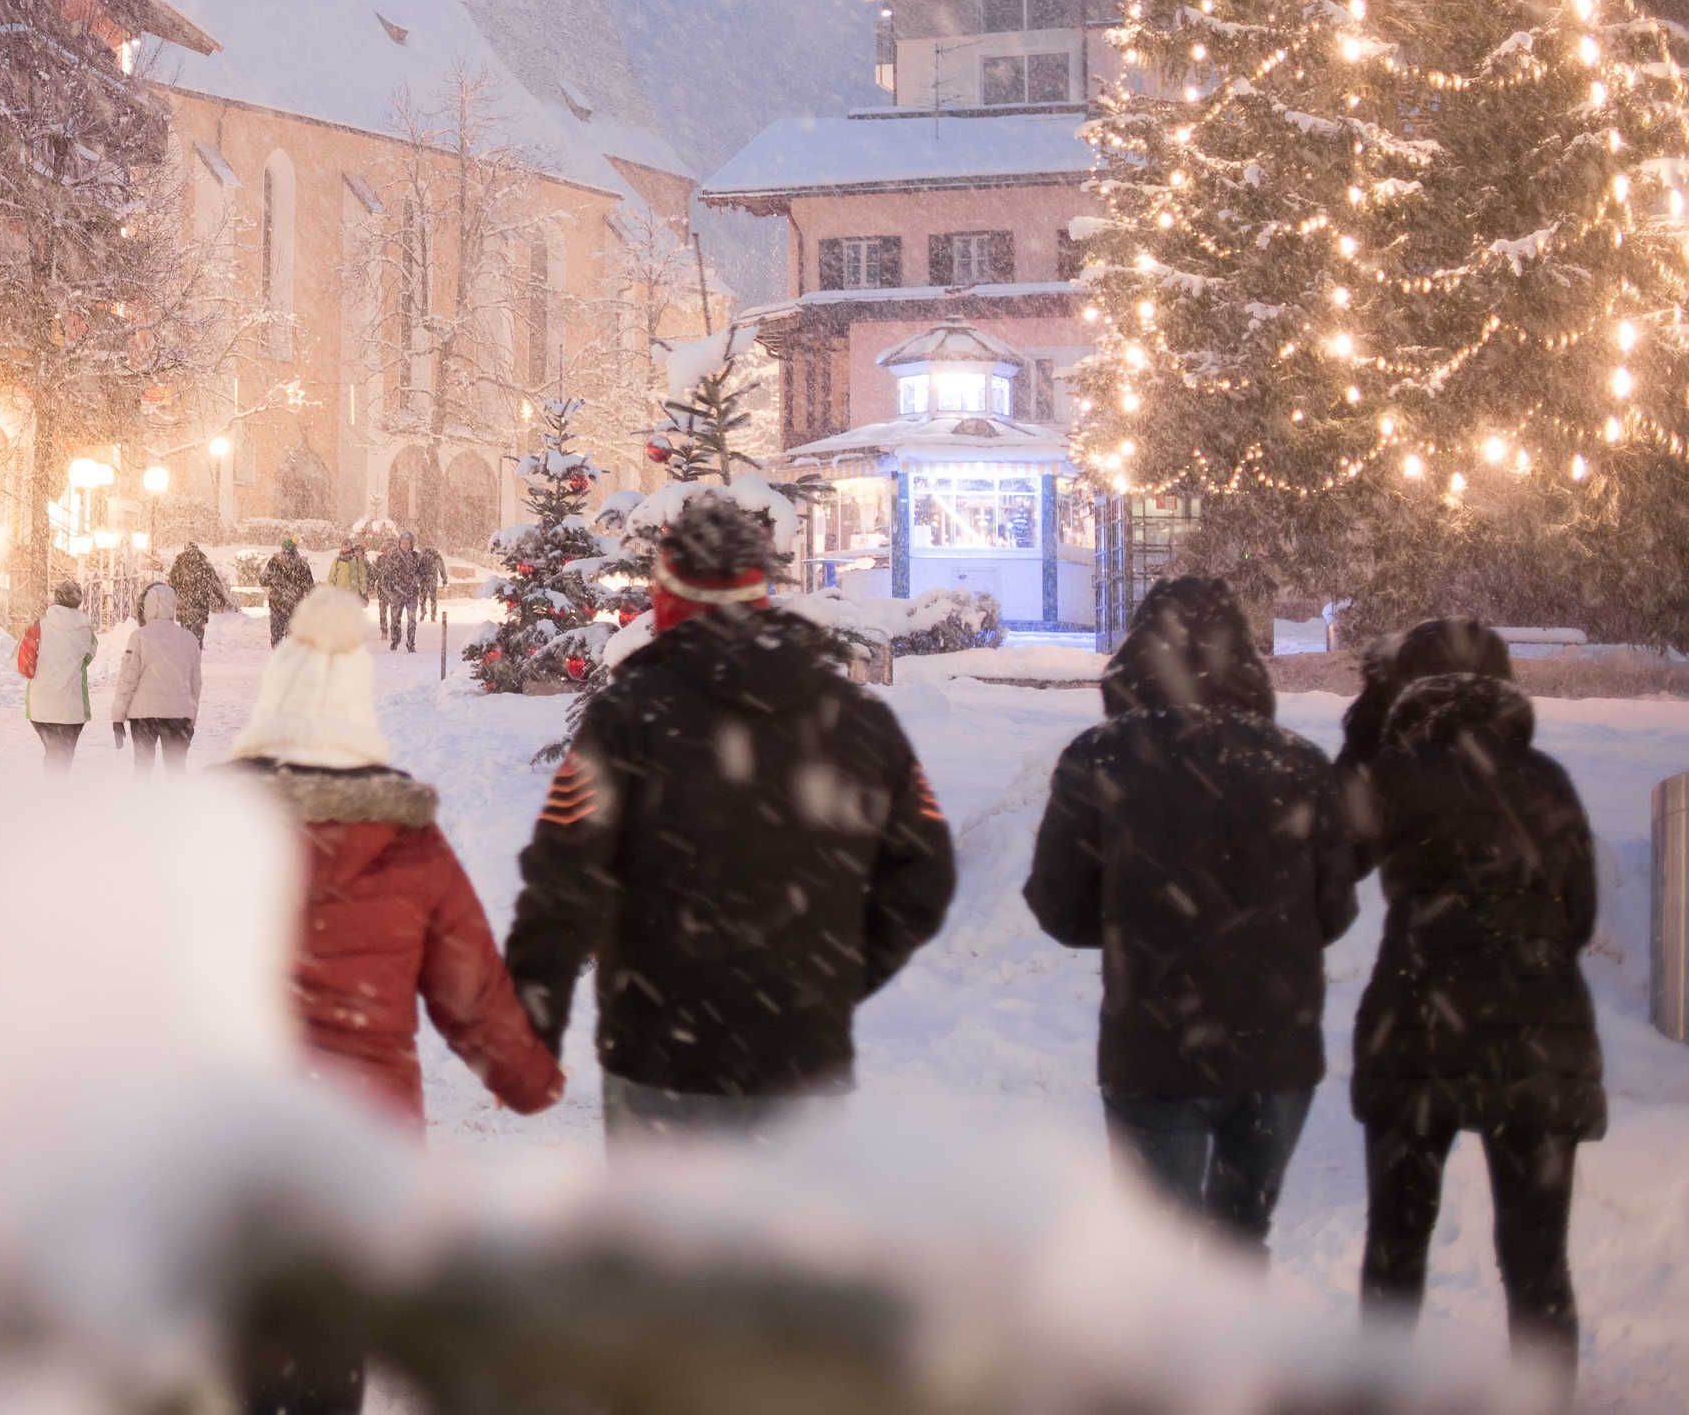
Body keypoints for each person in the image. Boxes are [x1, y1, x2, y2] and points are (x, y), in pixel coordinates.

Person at [505, 493, 953, 1137]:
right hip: (799, 1061)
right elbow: (923, 873)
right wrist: (834, 977)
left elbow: (563, 878)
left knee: (665, 1209)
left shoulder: (628, 718)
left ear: (668, 598)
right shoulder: (854, 717)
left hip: (659, 1058)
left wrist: (531, 1018)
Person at [231, 583, 564, 1413]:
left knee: (244, 1340)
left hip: (234, 1134)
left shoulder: (209, 827)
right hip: (362, 1143)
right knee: (330, 1344)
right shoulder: (408, 842)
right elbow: (471, 988)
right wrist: (525, 1076)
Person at [1024, 575, 1356, 1255]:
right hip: (1275, 1051)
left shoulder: (1099, 758)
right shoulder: (1298, 764)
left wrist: (1134, 922)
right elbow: (1334, 911)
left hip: (1153, 1046)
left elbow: (1059, 908)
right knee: (1239, 1246)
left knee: (1159, 1258)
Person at [1342, 623, 1602, 1380]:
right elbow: (1580, 915)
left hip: (1417, 1033)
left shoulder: (1392, 775)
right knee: (1537, 1265)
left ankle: (1377, 1396)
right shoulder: (1547, 780)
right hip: (1539, 1039)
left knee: (1395, 1251)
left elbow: (1332, 853)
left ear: (1409, 690)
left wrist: (1365, 726)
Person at [110, 581, 202, 772]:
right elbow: (195, 684)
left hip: (144, 716)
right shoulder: (189, 639)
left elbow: (127, 680)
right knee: (176, 771)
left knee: (143, 769)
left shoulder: (139, 637)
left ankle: (144, 793)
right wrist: (191, 718)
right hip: (178, 715)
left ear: (148, 606)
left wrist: (118, 717)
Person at [23, 581, 97, 770]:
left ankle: (53, 783)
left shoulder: (38, 626)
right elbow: (88, 657)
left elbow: (24, 663)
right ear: (79, 601)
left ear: (56, 598)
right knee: (63, 756)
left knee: (54, 753)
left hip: (41, 706)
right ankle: (57, 783)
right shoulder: (86, 629)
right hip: (72, 708)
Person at [165, 540, 229, 642]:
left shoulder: (178, 563)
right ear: (197, 549)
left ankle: (187, 650)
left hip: (184, 607)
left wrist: (169, 600)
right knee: (198, 637)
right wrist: (221, 598)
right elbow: (215, 583)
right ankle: (197, 650)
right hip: (200, 606)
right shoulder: (204, 564)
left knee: (185, 637)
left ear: (185, 549)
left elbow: (171, 583)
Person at [261, 537, 315, 645]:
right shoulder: (302, 564)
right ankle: (290, 651)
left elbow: (263, 580)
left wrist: (275, 582)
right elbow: (310, 587)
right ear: (295, 549)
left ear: (282, 548)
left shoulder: (274, 562)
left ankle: (277, 651)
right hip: (295, 604)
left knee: (276, 634)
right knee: (292, 634)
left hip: (277, 604)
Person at [379, 532, 426, 652]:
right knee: (395, 619)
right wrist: (391, 592)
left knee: (412, 620)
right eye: (403, 542)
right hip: (397, 593)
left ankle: (411, 643)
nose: (405, 545)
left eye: (407, 543)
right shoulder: (393, 557)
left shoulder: (416, 557)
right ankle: (395, 640)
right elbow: (386, 576)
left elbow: (422, 573)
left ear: (411, 544)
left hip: (412, 593)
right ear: (399, 543)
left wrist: (417, 579)